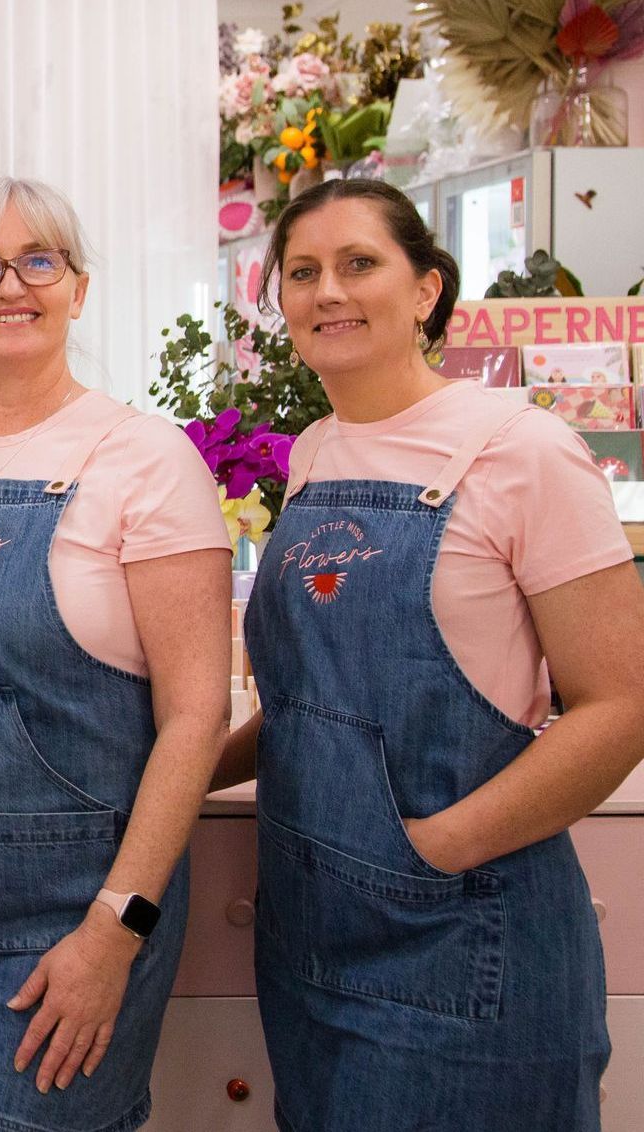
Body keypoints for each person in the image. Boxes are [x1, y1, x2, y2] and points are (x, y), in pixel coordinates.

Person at [214, 177, 644, 1131]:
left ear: (425, 290)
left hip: (465, 937)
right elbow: (313, 698)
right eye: (303, 271)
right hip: (310, 934)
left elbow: (620, 709)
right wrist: (190, 766)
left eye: (360, 263)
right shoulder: (317, 450)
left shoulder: (521, 451)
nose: (328, 291)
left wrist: (432, 850)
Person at [0, 175, 232, 1131]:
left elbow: (197, 717)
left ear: (79, 287)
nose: (8, 283)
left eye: (38, 260)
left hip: (79, 912)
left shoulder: (145, 457)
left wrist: (117, 929)